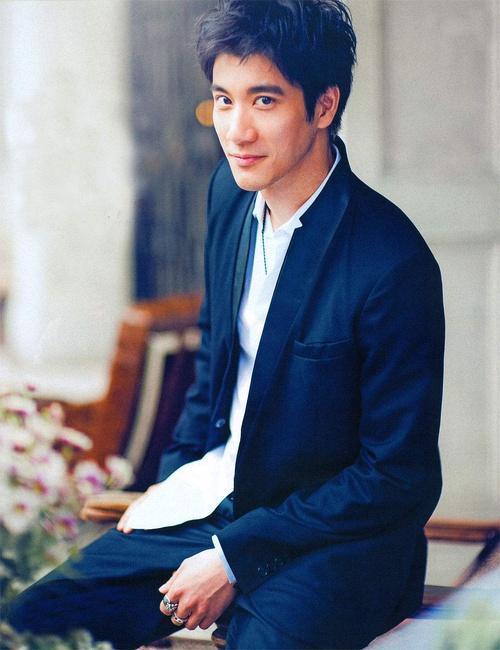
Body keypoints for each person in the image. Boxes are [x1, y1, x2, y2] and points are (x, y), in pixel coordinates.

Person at [6, 1, 445, 648]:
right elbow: (215, 365)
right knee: (25, 622)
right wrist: (171, 482)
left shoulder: (391, 262)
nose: (236, 130)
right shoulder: (229, 195)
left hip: (331, 544)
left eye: (264, 101)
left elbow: (396, 477)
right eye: (223, 100)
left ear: (324, 106)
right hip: (216, 500)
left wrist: (235, 558)